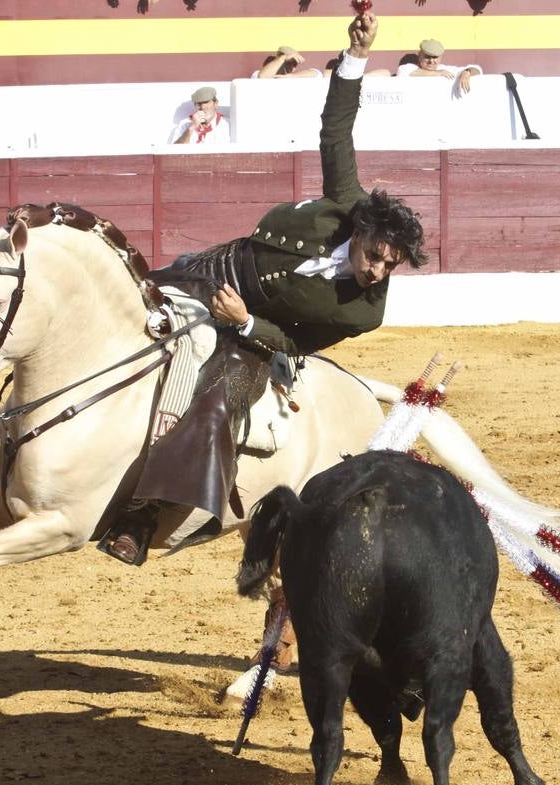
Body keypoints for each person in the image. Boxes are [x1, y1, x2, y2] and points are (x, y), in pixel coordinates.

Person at [99, 9, 426, 568]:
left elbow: (299, 345)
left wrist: (246, 321)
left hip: (254, 334)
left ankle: (142, 515)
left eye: (389, 268)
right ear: (363, 231)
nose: (376, 273)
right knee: (120, 309)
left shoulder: (366, 312)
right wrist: (357, 57)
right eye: (375, 257)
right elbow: (337, 129)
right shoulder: (346, 206)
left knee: (218, 398)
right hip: (211, 269)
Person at [396, 38, 482, 94]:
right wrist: (438, 73)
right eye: (427, 57)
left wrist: (467, 72)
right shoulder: (409, 67)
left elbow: (477, 70)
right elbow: (403, 72)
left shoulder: (444, 69)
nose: (431, 61)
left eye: (435, 57)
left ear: (440, 57)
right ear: (420, 55)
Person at [254, 46, 323, 78]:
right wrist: (284, 57)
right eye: (287, 62)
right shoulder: (257, 74)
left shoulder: (293, 77)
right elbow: (262, 76)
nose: (292, 67)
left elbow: (317, 73)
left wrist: (291, 76)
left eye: (294, 64)